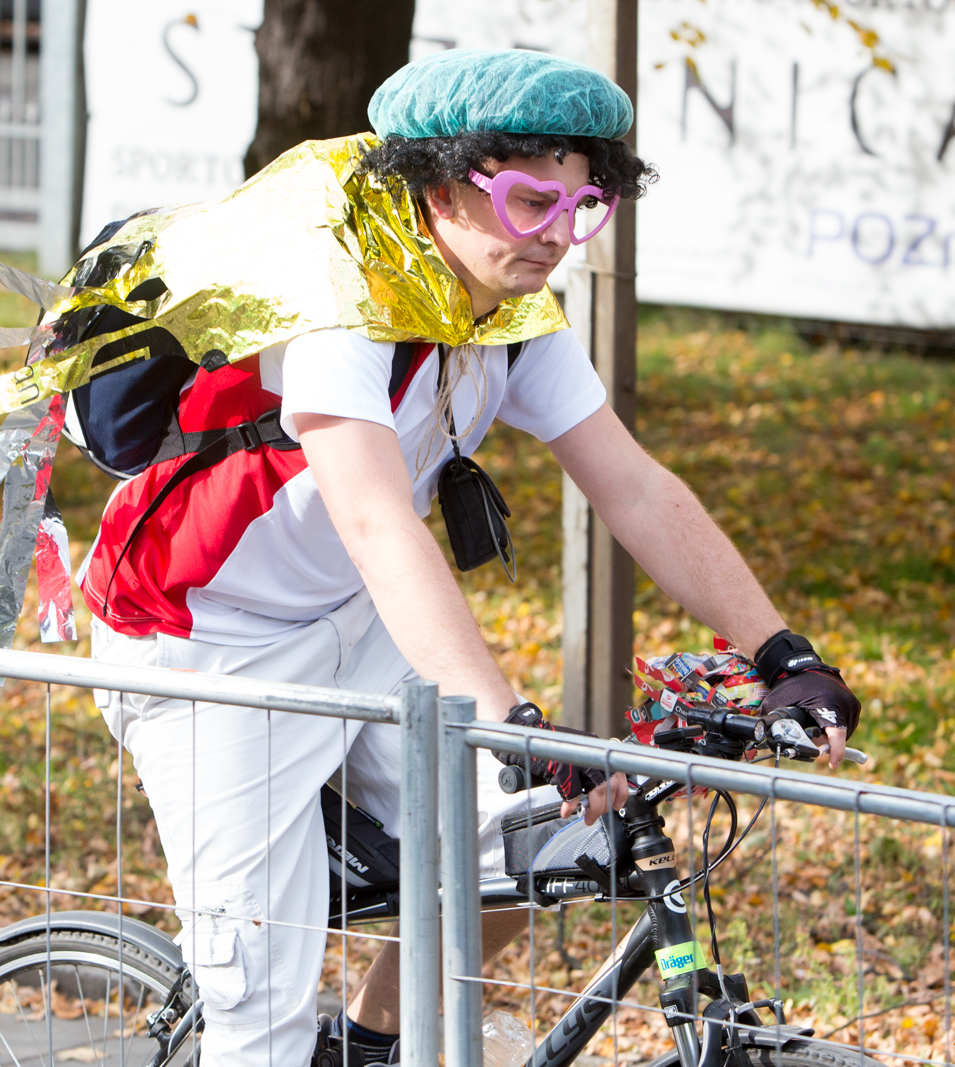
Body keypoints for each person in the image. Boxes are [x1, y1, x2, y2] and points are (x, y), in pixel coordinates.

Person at [78, 48, 861, 1067]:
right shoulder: (342, 300)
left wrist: (779, 650)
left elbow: (634, 485)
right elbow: (375, 519)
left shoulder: (512, 312)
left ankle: (366, 1044)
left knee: (538, 845)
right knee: (258, 1004)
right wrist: (508, 719)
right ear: (443, 186)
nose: (557, 238)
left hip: (353, 615)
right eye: (532, 202)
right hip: (201, 646)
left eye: (585, 208)